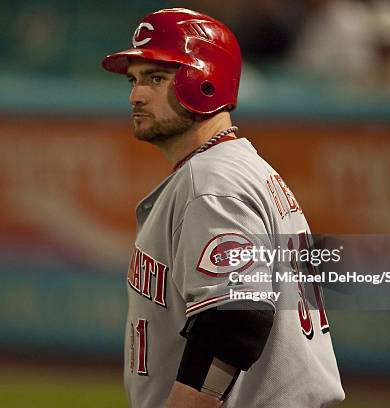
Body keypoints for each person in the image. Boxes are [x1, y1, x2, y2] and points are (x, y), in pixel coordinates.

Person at [101, 8, 344, 407]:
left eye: (155, 78)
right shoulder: (229, 169)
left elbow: (235, 318)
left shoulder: (213, 181)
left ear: (206, 80)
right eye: (134, 80)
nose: (135, 95)